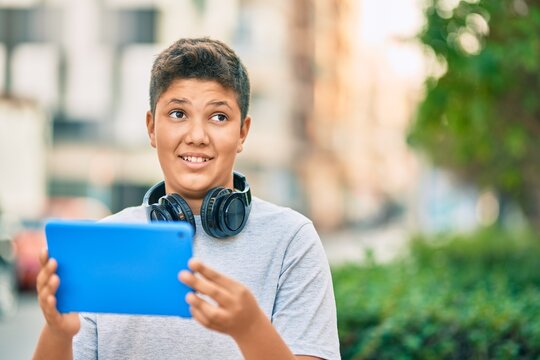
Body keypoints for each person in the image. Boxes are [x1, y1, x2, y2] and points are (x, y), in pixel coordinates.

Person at [33, 38, 340, 360]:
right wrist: (57, 333)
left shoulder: (291, 239)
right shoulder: (105, 241)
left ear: (242, 133)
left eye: (218, 117)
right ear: (152, 128)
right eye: (178, 113)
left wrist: (251, 329)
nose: (197, 136)